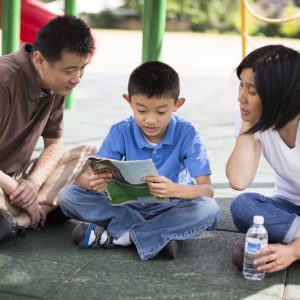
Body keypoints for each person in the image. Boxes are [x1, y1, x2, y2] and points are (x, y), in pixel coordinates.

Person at [59, 61, 220, 261]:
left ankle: (120, 237)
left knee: (209, 209)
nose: (150, 120)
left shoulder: (189, 134)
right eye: (141, 110)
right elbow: (85, 178)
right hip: (127, 206)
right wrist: (93, 183)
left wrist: (173, 190)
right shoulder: (121, 130)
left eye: (161, 111)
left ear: (177, 105)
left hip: (171, 206)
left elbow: (206, 190)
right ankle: (157, 236)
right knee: (68, 195)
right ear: (129, 101)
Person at [0, 15, 96, 243]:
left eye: (82, 69)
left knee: (88, 155)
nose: (76, 79)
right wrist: (17, 189)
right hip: (6, 184)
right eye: (70, 70)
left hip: (16, 181)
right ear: (40, 60)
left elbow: (55, 145)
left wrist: (32, 184)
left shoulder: (56, 86)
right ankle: (40, 209)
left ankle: (20, 220)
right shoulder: (4, 80)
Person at [226, 44, 300, 273]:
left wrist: (294, 251)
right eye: (241, 86)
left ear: (279, 94)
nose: (241, 98)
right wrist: (248, 124)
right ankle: (285, 242)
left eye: (253, 91)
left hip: (290, 225)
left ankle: (285, 245)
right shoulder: (255, 118)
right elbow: (239, 180)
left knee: (245, 252)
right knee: (244, 207)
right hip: (288, 210)